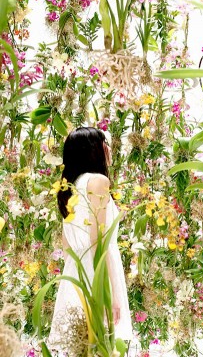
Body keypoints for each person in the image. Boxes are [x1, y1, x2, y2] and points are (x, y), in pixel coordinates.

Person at [48, 127, 132, 350]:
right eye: (104, 143)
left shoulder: (70, 186)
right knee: (103, 343)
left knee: (80, 346)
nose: (108, 148)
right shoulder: (98, 182)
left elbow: (67, 246)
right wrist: (108, 292)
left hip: (76, 272)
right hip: (97, 273)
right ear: (95, 150)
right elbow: (99, 242)